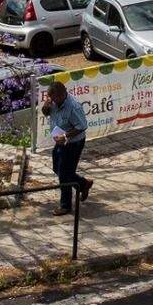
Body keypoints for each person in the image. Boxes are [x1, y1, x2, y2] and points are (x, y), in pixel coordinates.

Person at [41, 81, 92, 215]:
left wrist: (66, 136)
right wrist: (46, 106)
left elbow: (81, 126)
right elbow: (45, 112)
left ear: (62, 95)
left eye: (54, 98)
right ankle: (83, 184)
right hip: (59, 141)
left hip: (73, 143)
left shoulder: (73, 106)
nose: (52, 101)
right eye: (50, 98)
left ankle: (66, 205)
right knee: (58, 168)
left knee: (64, 174)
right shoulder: (52, 101)